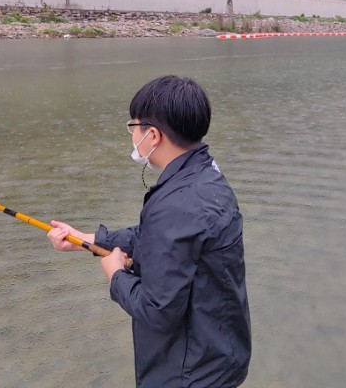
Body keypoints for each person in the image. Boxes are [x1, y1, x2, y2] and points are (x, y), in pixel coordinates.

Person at [47, 75, 251, 388]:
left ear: (152, 135)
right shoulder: (207, 176)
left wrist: (116, 276)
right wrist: (88, 240)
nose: (133, 136)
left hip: (188, 375)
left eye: (134, 127)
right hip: (221, 359)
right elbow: (160, 239)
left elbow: (157, 310)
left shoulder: (177, 204)